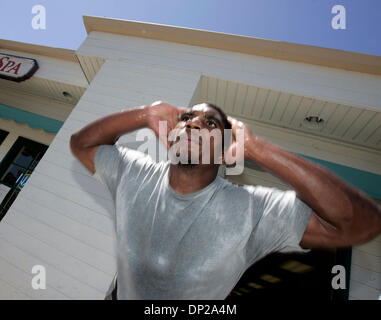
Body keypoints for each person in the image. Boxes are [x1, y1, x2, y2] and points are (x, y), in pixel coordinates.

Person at [70, 101, 381, 300]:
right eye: (187, 117)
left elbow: (361, 225)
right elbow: (81, 144)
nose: (193, 123)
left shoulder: (254, 209)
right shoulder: (134, 172)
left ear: (223, 151)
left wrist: (259, 149)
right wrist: (144, 114)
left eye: (210, 124)